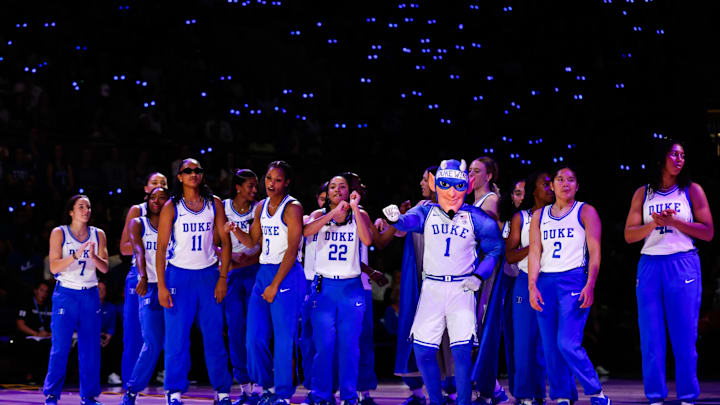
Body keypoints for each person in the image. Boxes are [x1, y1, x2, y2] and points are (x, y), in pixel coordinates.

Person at [383, 159, 504, 405]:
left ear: (466, 186)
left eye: (457, 185)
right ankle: (436, 400)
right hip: (433, 287)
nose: (451, 191)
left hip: (462, 287)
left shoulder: (476, 217)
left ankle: (463, 402)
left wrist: (479, 275)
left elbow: (495, 249)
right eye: (445, 184)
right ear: (435, 184)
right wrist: (395, 219)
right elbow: (407, 223)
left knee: (461, 351)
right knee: (423, 349)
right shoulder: (426, 212)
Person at [623, 140, 714, 405]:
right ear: (661, 158)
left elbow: (708, 232)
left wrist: (674, 221)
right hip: (650, 265)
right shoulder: (643, 193)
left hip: (683, 263)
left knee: (685, 335)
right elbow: (629, 235)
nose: (679, 158)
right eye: (674, 154)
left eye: (683, 155)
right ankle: (655, 397)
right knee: (651, 336)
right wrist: (654, 223)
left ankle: (687, 396)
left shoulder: (692, 190)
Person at [527, 166, 610, 405]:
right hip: (545, 281)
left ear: (577, 185)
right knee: (551, 346)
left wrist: (591, 283)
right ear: (551, 185)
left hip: (573, 279)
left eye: (571, 180)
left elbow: (595, 252)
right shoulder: (539, 216)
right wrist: (532, 285)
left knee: (567, 342)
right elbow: (534, 252)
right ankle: (562, 395)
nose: (565, 184)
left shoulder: (586, 211)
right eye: (560, 179)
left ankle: (596, 392)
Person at [155, 159, 233, 405]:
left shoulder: (215, 203)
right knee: (176, 337)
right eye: (188, 170)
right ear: (179, 176)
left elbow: (226, 242)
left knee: (214, 336)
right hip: (179, 275)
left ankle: (222, 391)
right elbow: (160, 249)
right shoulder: (171, 206)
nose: (193, 174)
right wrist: (161, 285)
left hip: (208, 275)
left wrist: (222, 277)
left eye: (197, 170)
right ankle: (174, 391)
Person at [233, 160, 306, 405]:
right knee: (254, 337)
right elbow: (253, 242)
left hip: (286, 274)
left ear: (286, 182)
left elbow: (293, 249)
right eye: (268, 178)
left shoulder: (292, 207)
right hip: (263, 271)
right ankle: (267, 386)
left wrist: (275, 284)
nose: (270, 184)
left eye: (276, 179)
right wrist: (234, 229)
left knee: (284, 338)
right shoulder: (260, 206)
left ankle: (283, 394)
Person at [506, 172, 577, 405]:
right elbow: (510, 255)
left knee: (558, 342)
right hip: (525, 281)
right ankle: (526, 394)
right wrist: (534, 246)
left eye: (551, 183)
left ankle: (565, 393)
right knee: (525, 342)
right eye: (544, 184)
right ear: (533, 190)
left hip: (555, 281)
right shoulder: (522, 218)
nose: (549, 187)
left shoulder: (565, 214)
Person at [303, 174, 374, 405]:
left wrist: (353, 207)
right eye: (332, 186)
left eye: (342, 186)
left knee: (349, 347)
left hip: (351, 287)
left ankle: (349, 397)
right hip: (324, 286)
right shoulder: (318, 215)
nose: (336, 190)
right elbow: (305, 232)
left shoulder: (359, 214)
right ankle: (322, 395)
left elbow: (367, 240)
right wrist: (333, 213)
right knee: (323, 346)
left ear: (349, 191)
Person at [43, 194, 109, 405]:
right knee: (60, 347)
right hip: (66, 294)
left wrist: (93, 257)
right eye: (81, 206)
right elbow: (53, 267)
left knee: (90, 348)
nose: (86, 210)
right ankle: (52, 394)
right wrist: (75, 255)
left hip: (89, 294)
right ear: (71, 211)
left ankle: (89, 396)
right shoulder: (59, 232)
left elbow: (105, 267)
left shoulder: (98, 234)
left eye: (88, 207)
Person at [119, 172, 168, 389]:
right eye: (155, 183)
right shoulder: (137, 212)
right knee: (134, 333)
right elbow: (124, 247)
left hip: (164, 279)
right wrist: (153, 247)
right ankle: (130, 383)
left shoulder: (173, 214)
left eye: (163, 184)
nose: (159, 186)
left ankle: (156, 380)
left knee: (161, 334)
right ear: (146, 189)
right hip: (140, 276)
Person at [222, 169, 262, 405]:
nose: (254, 190)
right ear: (238, 187)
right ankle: (245, 388)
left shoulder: (259, 208)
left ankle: (260, 384)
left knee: (255, 330)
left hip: (255, 271)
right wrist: (226, 258)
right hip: (232, 273)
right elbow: (214, 242)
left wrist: (250, 259)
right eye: (250, 185)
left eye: (255, 186)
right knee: (236, 330)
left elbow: (262, 242)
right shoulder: (223, 207)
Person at [300, 182, 328, 405]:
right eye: (321, 197)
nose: (325, 201)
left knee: (326, 340)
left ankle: (327, 387)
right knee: (307, 339)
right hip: (308, 281)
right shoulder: (309, 218)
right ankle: (311, 386)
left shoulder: (342, 220)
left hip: (331, 282)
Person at [16, 279, 52, 384]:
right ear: (35, 291)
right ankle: (30, 376)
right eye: (41, 290)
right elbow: (20, 324)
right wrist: (36, 334)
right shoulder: (26, 303)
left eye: (46, 291)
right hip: (29, 336)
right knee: (33, 346)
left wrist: (50, 334)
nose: (44, 294)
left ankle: (47, 377)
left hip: (46, 337)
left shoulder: (49, 305)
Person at [98, 280, 120, 385]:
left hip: (104, 336)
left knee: (116, 344)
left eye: (103, 289)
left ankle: (112, 373)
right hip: (90, 336)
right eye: (99, 289)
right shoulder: (88, 306)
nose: (101, 291)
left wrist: (108, 336)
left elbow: (111, 326)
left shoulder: (110, 307)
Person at [468, 157, 500, 221]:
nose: (471, 174)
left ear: (488, 176)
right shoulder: (477, 201)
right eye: (470, 170)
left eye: (476, 171)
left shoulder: (491, 200)